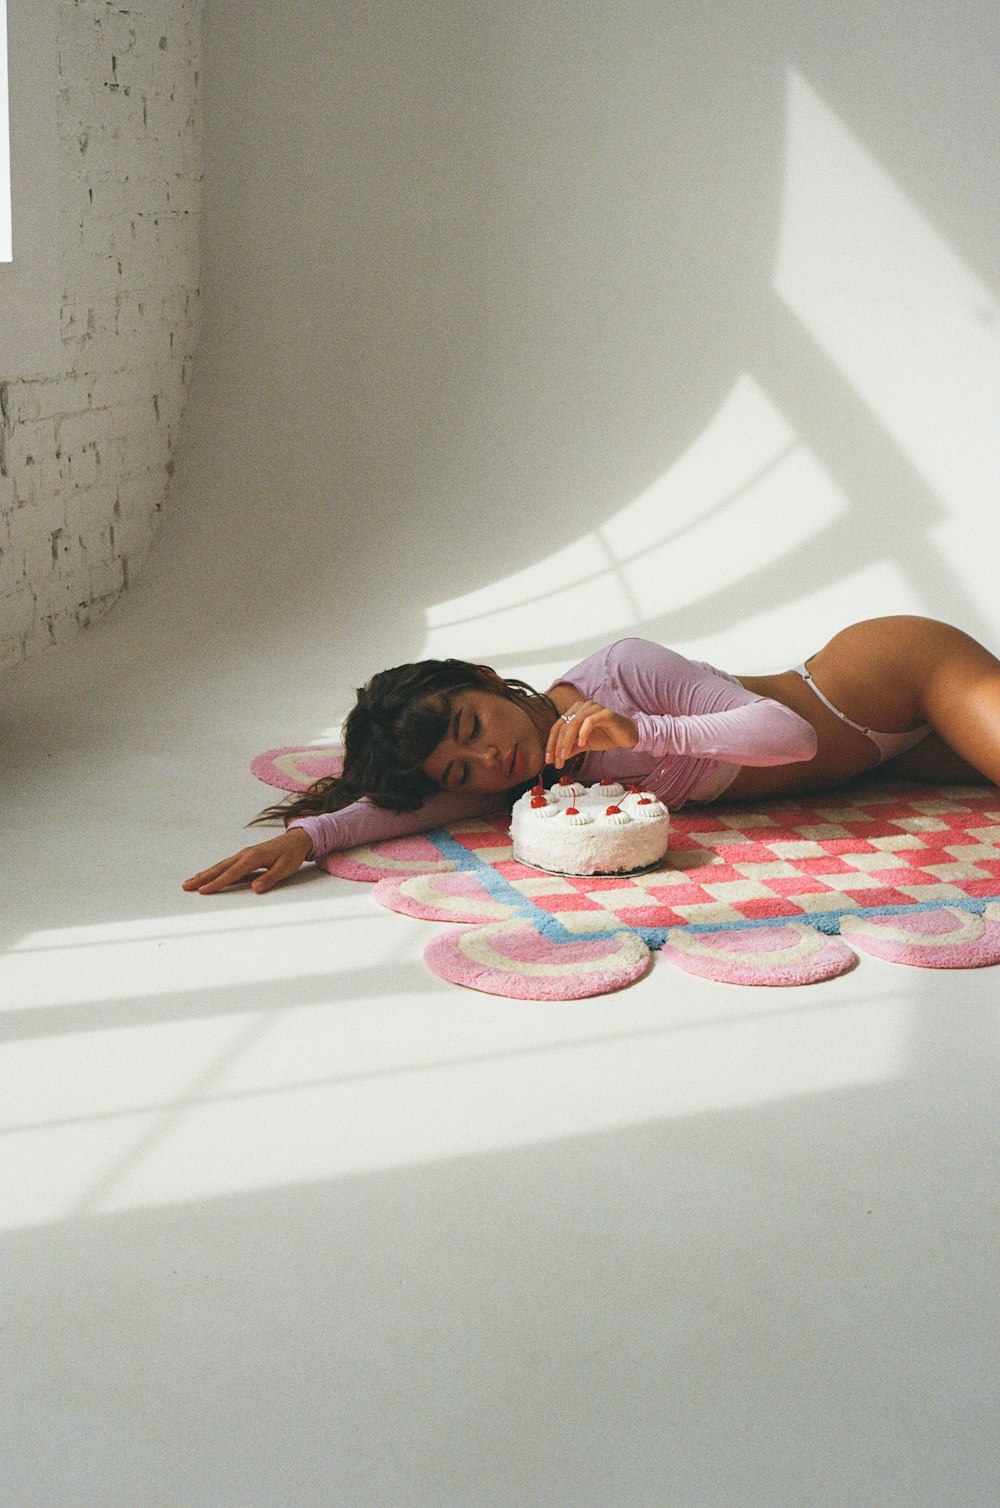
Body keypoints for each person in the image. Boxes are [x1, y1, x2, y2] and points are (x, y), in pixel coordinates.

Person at [183, 615, 1000, 897]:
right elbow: (427, 806)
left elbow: (792, 739)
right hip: (887, 767)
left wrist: (642, 732)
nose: (490, 757)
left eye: (473, 726)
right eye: (461, 768)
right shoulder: (535, 779)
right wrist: (309, 838)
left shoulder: (626, 671)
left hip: (892, 680)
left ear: (485, 680)